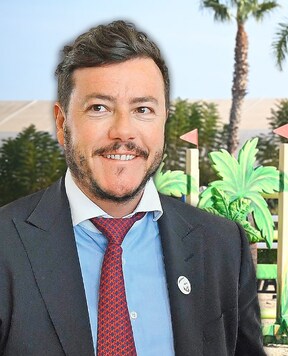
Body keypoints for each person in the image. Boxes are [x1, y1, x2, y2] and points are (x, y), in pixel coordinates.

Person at [0, 21, 264, 355]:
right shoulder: (6, 246)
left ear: (164, 120)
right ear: (62, 123)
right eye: (100, 108)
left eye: (143, 109)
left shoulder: (223, 247)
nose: (123, 131)